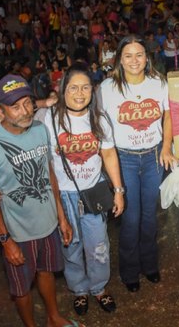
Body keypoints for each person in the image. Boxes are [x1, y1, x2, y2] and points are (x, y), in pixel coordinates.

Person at [0, 74, 77, 327]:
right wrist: (5, 239)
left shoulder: (39, 128)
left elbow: (50, 175)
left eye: (27, 103)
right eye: (15, 106)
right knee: (22, 286)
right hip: (18, 232)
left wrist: (61, 217)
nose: (24, 111)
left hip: (47, 223)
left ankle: (53, 317)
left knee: (46, 272)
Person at [98, 35, 177, 292]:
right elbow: (99, 129)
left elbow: (169, 115)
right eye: (128, 55)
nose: (134, 60)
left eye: (139, 54)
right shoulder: (107, 89)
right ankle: (130, 270)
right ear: (119, 59)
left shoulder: (158, 83)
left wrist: (166, 147)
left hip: (154, 156)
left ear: (147, 57)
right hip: (124, 159)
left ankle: (149, 264)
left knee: (149, 217)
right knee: (130, 219)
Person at [45, 64, 125, 315]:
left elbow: (109, 154)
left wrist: (119, 190)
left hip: (93, 193)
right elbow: (46, 163)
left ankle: (99, 288)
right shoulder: (49, 119)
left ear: (93, 90)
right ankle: (79, 290)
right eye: (73, 88)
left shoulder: (99, 119)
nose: (80, 93)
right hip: (65, 195)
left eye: (85, 87)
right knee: (71, 245)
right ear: (62, 90)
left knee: (98, 245)